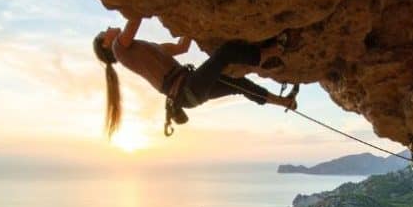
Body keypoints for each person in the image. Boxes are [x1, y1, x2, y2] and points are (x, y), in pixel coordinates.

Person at [92, 15, 298, 137]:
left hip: (188, 91)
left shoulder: (147, 49)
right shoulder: (119, 47)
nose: (108, 28)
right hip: (185, 88)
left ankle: (284, 102)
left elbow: (182, 47)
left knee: (238, 84)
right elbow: (135, 17)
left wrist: (189, 25)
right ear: (105, 44)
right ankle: (272, 51)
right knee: (225, 54)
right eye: (104, 32)